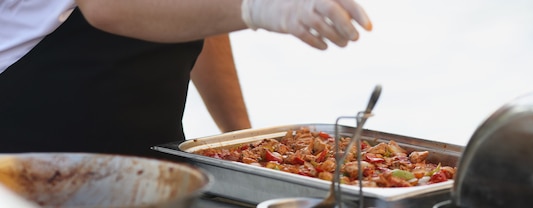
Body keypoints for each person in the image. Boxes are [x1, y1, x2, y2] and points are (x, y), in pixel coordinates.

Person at [0, 0, 372, 159]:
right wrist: (257, 9)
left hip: (151, 151)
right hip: (28, 141)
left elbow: (198, 18)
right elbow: (107, 8)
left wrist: (241, 141)